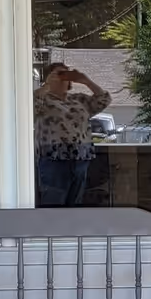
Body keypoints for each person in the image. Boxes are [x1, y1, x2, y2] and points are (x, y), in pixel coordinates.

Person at [33, 62, 110, 206]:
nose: (63, 78)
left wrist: (85, 80)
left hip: (80, 158)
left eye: (66, 75)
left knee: (75, 207)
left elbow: (103, 99)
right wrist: (47, 86)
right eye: (59, 74)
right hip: (54, 160)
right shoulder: (43, 100)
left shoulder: (78, 100)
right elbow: (28, 108)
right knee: (53, 205)